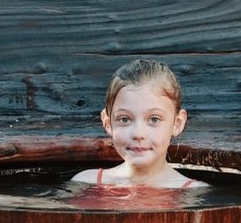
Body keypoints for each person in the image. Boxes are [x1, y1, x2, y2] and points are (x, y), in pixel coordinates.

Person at [72, 59, 206, 189]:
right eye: (124, 119)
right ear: (108, 123)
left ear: (177, 124)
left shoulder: (190, 193)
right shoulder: (86, 184)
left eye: (154, 119)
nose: (138, 134)